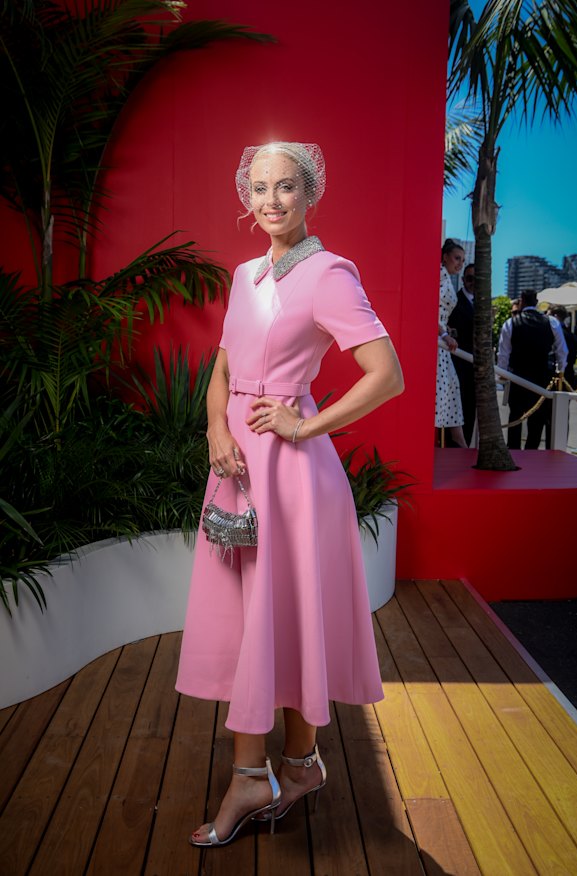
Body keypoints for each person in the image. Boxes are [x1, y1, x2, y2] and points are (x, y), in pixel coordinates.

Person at [175, 141, 404, 848]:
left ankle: (251, 777)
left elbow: (386, 374)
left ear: (311, 194)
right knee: (265, 615)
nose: (272, 200)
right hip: (236, 465)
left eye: (286, 187)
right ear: (248, 196)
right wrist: (216, 426)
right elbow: (222, 367)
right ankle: (300, 765)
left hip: (291, 477)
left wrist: (307, 423)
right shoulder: (244, 274)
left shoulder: (331, 274)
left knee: (278, 616)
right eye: (260, 187)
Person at [498, 289, 568, 449]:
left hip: (518, 378)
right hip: (542, 378)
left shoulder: (510, 323)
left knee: (515, 416)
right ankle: (532, 453)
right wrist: (560, 371)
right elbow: (562, 351)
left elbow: (503, 354)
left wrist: (503, 375)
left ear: (521, 300)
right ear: (536, 302)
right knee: (537, 420)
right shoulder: (551, 322)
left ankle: (514, 452)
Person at [435, 239, 467, 448]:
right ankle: (458, 445)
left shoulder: (446, 278)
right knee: (442, 395)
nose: (460, 264)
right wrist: (444, 334)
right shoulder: (438, 275)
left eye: (463, 260)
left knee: (450, 391)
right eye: (457, 258)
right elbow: (429, 309)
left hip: (442, 344)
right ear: (445, 256)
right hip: (437, 344)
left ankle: (461, 444)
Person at [448, 262, 476, 445]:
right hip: (457, 364)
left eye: (476, 278)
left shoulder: (483, 303)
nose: (472, 282)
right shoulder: (454, 301)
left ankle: (466, 450)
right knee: (457, 410)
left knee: (470, 410)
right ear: (464, 279)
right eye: (469, 278)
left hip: (475, 368)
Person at [549, 305, 577, 389]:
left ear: (555, 316)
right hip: (569, 376)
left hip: (555, 377)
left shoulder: (554, 333)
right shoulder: (572, 336)